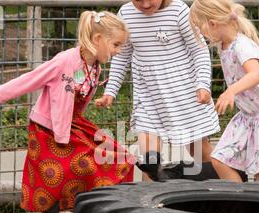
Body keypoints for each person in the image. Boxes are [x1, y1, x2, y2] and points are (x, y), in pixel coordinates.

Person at [0, 11, 134, 213]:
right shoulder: (65, 61)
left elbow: (77, 94)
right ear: (97, 39)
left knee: (116, 158)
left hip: (72, 122)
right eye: (115, 45)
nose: (117, 51)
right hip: (47, 126)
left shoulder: (94, 66)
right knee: (52, 172)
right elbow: (31, 79)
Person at [95, 0, 235, 182]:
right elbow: (122, 57)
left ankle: (229, 185)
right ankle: (150, 204)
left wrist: (202, 85)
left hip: (183, 95)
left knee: (199, 150)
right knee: (149, 160)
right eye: (138, 0)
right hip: (148, 96)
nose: (145, 5)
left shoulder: (178, 11)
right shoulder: (126, 14)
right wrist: (110, 91)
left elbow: (199, 51)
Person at [190, 0, 259, 182]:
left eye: (200, 27)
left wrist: (231, 91)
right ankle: (239, 202)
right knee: (219, 159)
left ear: (212, 23)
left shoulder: (242, 46)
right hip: (247, 117)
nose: (201, 34)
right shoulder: (225, 45)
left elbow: (255, 75)